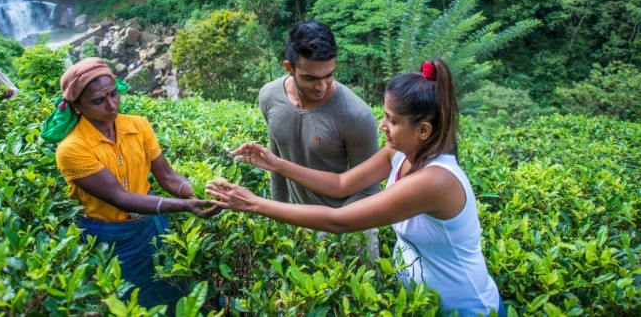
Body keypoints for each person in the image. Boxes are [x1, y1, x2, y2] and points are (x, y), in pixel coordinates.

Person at [207, 59, 505, 316]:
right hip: (422, 304)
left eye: (392, 120)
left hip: (467, 309)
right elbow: (341, 184)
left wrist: (253, 203)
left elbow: (339, 221)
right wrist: (277, 164)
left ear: (423, 130)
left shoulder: (435, 180)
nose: (382, 125)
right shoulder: (401, 154)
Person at [41, 57, 218, 308]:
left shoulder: (138, 125)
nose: (111, 105)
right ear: (77, 106)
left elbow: (167, 175)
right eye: (98, 101)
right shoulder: (72, 148)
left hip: (152, 224)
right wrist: (186, 206)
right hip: (110, 237)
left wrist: (198, 192)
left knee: (177, 288)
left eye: (113, 94)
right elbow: (120, 198)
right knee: (132, 302)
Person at [254, 20, 381, 261]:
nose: (321, 86)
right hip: (300, 226)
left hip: (352, 232)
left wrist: (331, 229)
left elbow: (369, 191)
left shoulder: (356, 115)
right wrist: (280, 220)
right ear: (289, 67)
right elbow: (276, 162)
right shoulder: (269, 97)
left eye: (329, 75)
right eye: (310, 78)